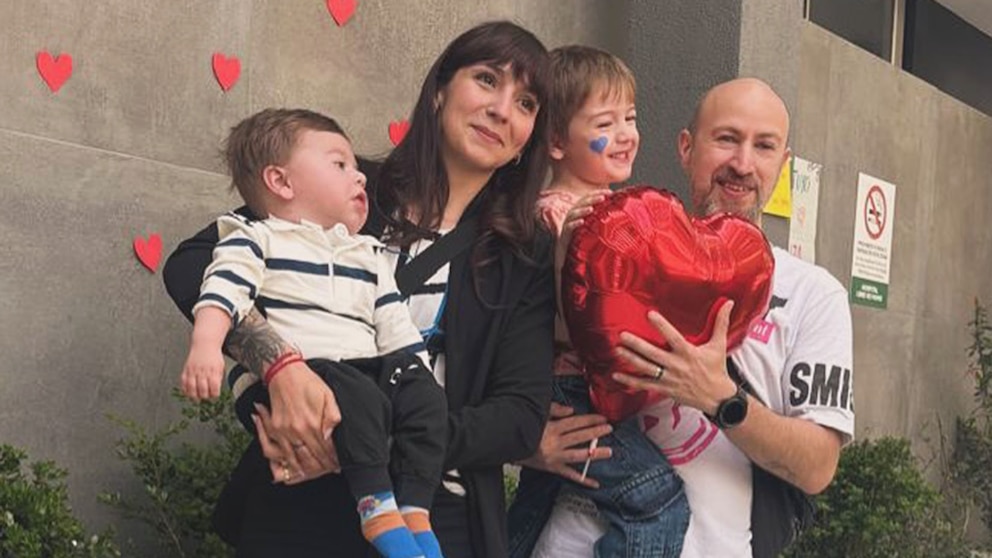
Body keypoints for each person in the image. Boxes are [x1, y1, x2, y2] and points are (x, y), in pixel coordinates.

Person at [162, 21, 555, 558]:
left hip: (435, 509)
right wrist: (282, 369)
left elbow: (518, 417)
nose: (502, 110)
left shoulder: (523, 256)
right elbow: (194, 263)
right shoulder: (347, 184)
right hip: (300, 492)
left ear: (528, 137)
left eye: (526, 103)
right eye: (487, 80)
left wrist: (368, 440)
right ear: (440, 91)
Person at [526, 77, 854, 558]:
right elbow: (513, 363)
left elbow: (817, 467)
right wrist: (522, 444)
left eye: (764, 146)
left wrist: (721, 399)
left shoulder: (814, 294)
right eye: (726, 138)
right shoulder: (613, 240)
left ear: (782, 164)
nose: (742, 163)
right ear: (686, 147)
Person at [179, 108, 448, 558]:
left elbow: (397, 329)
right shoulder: (256, 238)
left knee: (426, 397)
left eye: (356, 167)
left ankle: (415, 508)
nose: (359, 177)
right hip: (295, 378)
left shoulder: (368, 256)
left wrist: (415, 383)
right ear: (281, 182)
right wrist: (206, 345)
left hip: (361, 375)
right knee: (357, 391)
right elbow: (223, 291)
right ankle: (377, 509)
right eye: (340, 164)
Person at [507, 45, 688, 558]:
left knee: (538, 503)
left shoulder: (614, 209)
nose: (627, 133)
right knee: (658, 502)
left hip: (590, 385)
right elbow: (559, 320)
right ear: (556, 141)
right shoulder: (557, 216)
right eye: (606, 123)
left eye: (631, 117)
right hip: (573, 389)